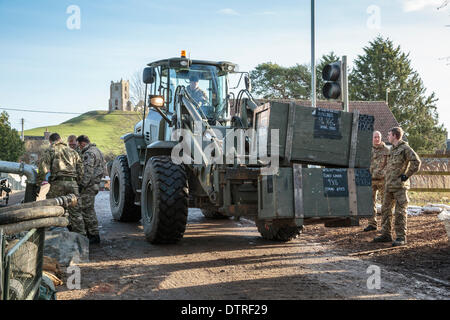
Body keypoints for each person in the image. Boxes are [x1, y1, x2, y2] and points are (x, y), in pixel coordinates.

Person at [373, 127, 421, 246]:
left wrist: (406, 175)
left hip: (400, 187)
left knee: (400, 212)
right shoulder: (392, 149)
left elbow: (416, 162)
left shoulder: (405, 148)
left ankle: (401, 237)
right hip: (389, 185)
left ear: (395, 136)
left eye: (389, 135)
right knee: (385, 210)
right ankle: (386, 234)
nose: (387, 137)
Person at [36, 133, 84, 234]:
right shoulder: (73, 151)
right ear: (60, 139)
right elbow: (81, 169)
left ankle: (54, 236)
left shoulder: (50, 150)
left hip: (57, 184)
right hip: (73, 184)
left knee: (52, 209)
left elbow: (43, 169)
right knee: (76, 213)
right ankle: (82, 239)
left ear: (50, 141)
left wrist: (38, 184)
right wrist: (78, 183)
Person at [76, 135, 106, 244]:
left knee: (87, 210)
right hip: (94, 184)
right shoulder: (97, 151)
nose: (79, 148)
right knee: (89, 209)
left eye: (79, 145)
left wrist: (81, 185)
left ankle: (93, 234)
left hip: (88, 186)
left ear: (82, 143)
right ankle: (92, 233)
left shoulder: (88, 153)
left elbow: (87, 172)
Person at [364, 131, 390, 232]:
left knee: (385, 203)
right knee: (370, 203)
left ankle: (385, 225)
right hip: (370, 180)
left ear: (381, 138)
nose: (376, 139)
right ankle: (372, 224)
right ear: (372, 138)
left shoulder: (387, 150)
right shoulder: (367, 150)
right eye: (375, 137)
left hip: (383, 180)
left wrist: (383, 173)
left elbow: (390, 164)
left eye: (378, 137)